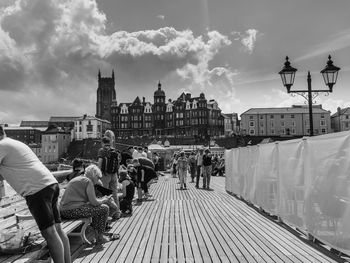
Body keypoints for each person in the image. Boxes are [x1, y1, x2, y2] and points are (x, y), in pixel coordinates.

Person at [0, 126, 71, 263]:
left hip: (37, 190)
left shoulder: (1, 146)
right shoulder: (14, 143)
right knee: (58, 230)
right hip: (50, 184)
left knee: (49, 233)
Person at [60, 165, 115, 244]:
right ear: (94, 175)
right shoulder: (88, 181)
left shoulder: (79, 179)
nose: (99, 179)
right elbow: (94, 202)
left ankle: (98, 236)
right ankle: (100, 237)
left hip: (65, 211)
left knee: (99, 208)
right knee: (104, 208)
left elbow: (91, 201)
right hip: (71, 211)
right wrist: (105, 200)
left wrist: (101, 200)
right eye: (98, 177)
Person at [97, 136, 121, 218]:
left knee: (105, 194)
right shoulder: (114, 150)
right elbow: (118, 163)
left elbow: (100, 162)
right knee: (114, 193)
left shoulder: (102, 150)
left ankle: (105, 216)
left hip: (105, 174)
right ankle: (117, 213)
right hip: (114, 174)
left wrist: (98, 173)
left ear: (102, 143)